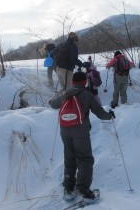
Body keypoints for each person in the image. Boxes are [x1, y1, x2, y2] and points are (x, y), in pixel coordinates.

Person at [49, 71, 115, 202]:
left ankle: (68, 189)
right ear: (84, 82)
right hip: (80, 131)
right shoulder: (87, 94)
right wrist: (110, 115)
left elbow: (52, 103)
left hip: (64, 130)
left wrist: (59, 94)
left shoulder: (65, 94)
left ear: (73, 82)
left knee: (69, 158)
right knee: (85, 158)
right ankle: (82, 189)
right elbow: (100, 113)